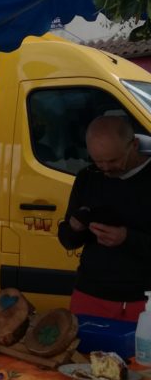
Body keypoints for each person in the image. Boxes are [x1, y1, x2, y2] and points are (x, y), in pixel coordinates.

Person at [58, 114, 151, 320]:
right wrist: (74, 228)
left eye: (113, 160)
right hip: (90, 294)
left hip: (143, 299)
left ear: (134, 145)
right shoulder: (88, 177)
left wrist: (127, 238)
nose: (106, 168)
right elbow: (68, 241)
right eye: (98, 161)